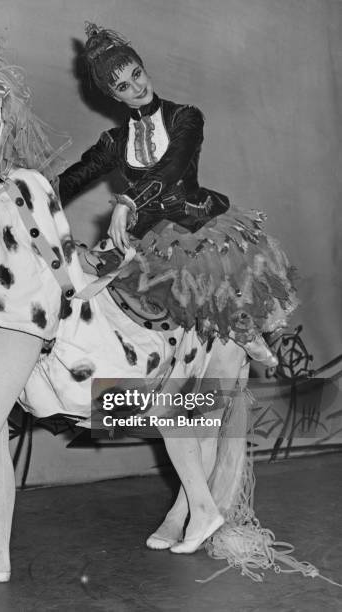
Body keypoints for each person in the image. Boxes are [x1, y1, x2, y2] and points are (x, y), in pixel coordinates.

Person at [58, 24, 298, 368]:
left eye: (137, 74)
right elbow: (71, 179)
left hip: (194, 226)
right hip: (145, 235)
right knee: (90, 287)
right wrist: (25, 190)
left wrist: (126, 203)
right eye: (124, 86)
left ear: (144, 68)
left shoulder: (185, 117)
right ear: (114, 96)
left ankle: (243, 333)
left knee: (217, 292)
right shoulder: (113, 142)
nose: (137, 87)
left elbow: (171, 169)